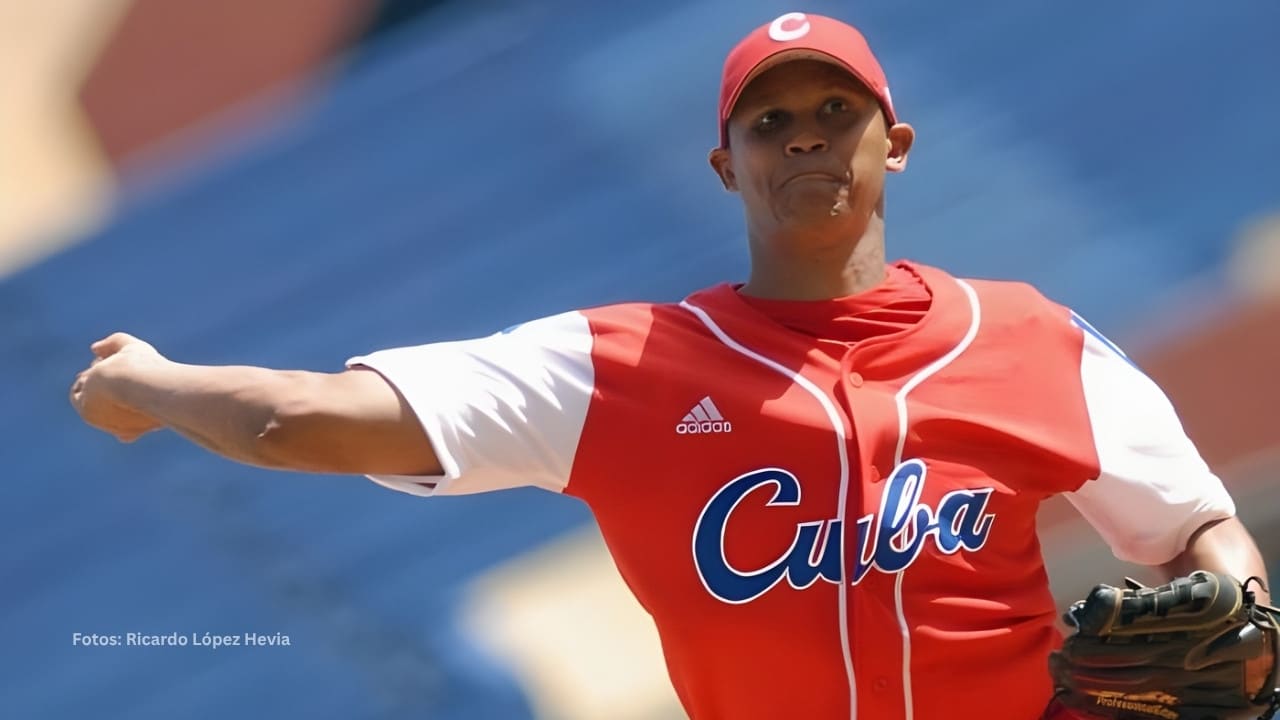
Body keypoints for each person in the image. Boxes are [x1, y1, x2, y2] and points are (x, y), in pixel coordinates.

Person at [70, 12, 1270, 720]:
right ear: (723, 165)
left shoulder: (1029, 341)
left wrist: (1240, 605)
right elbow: (308, 423)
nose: (803, 132)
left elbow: (1192, 532)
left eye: (835, 109)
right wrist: (151, 381)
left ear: (892, 145)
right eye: (768, 118)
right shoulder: (620, 369)